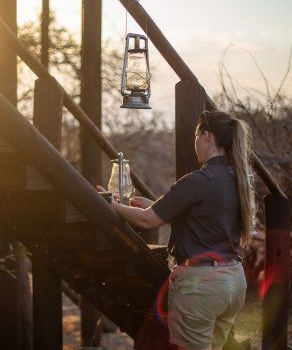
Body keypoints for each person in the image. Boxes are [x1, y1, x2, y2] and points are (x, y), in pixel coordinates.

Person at [99, 110, 255, 350]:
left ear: (206, 136)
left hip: (201, 289)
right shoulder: (237, 178)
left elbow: (147, 221)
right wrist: (153, 205)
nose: (195, 143)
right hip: (233, 283)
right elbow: (202, 218)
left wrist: (108, 204)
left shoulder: (198, 180)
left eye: (195, 136)